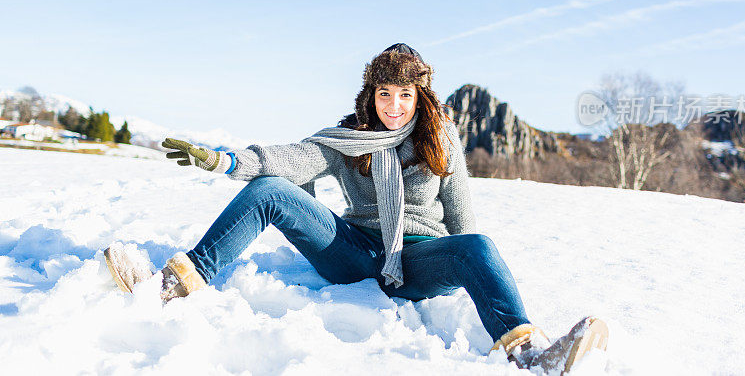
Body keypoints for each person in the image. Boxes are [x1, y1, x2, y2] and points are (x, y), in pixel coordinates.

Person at [103, 43, 608, 374]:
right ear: (372, 94)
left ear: (420, 97)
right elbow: (292, 159)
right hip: (356, 252)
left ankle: (532, 355)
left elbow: (461, 216)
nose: (393, 106)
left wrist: (468, 265)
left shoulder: (440, 138)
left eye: (404, 95)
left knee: (477, 245)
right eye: (384, 93)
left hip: (420, 260)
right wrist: (224, 159)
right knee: (270, 189)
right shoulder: (349, 139)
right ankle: (176, 284)